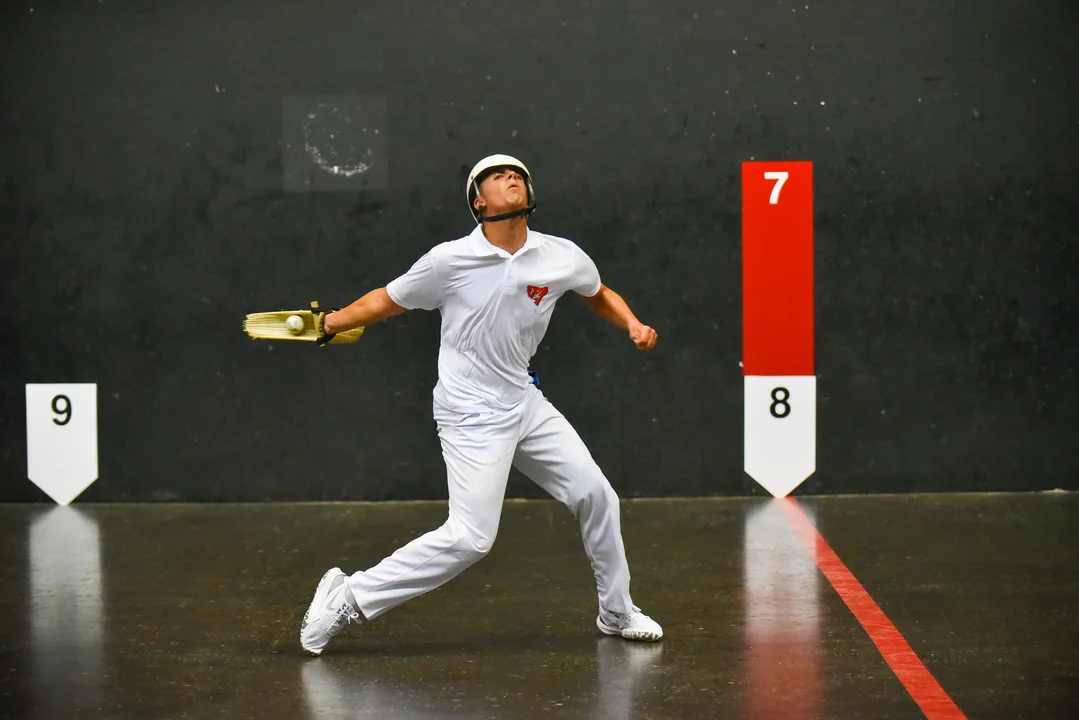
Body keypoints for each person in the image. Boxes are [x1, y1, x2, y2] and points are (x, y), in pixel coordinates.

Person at [300, 154, 663, 656]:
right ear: (478, 203)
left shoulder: (561, 255)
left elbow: (597, 292)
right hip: (469, 413)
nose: (512, 178)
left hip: (523, 401)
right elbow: (386, 299)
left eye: (518, 175)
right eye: (497, 176)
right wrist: (327, 324)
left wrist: (632, 323)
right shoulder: (448, 261)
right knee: (471, 538)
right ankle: (348, 597)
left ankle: (616, 610)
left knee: (597, 495)